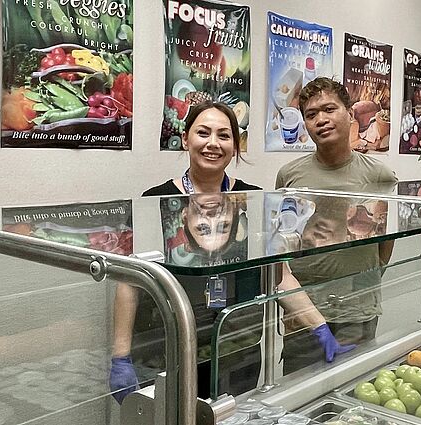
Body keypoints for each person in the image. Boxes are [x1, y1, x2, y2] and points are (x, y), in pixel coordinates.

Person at [110, 102, 263, 403]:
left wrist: (320, 327)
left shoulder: (253, 198)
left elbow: (281, 276)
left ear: (235, 144)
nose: (213, 144)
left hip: (236, 348)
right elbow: (128, 282)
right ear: (185, 138)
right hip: (169, 350)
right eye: (203, 133)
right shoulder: (155, 200)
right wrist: (120, 357)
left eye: (224, 135)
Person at [275, 77, 397, 373]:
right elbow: (282, 243)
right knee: (298, 397)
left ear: (350, 113)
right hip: (304, 313)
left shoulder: (379, 175)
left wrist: (365, 280)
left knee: (354, 396)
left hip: (358, 310)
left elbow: (384, 242)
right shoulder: (289, 175)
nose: (321, 120)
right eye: (311, 114)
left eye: (329, 109)